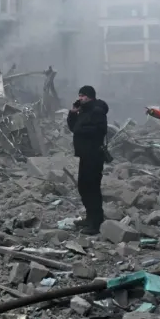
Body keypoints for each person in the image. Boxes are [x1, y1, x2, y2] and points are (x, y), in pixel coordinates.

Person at [66, 85, 110, 235]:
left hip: (94, 155)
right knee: (83, 187)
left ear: (90, 96)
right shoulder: (83, 110)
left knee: (92, 188)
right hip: (85, 155)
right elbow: (72, 127)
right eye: (79, 95)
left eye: (83, 96)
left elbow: (100, 130)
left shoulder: (97, 110)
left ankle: (96, 223)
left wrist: (80, 129)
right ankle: (90, 217)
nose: (80, 98)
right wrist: (72, 113)